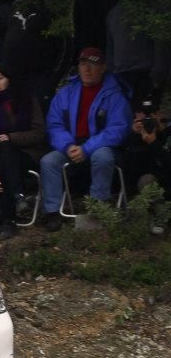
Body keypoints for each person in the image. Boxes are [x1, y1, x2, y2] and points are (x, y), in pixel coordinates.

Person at [40, 47, 132, 231]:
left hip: (101, 147)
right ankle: (52, 212)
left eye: (93, 64)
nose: (87, 69)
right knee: (48, 161)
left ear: (103, 67)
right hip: (72, 146)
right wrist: (68, 146)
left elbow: (117, 129)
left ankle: (97, 209)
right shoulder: (66, 92)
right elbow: (54, 125)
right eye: (83, 64)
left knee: (103, 156)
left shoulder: (115, 94)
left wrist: (87, 148)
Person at [0, 63, 47, 239]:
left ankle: (8, 221)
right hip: (4, 158)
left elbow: (39, 133)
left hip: (28, 154)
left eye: (0, 78)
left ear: (9, 79)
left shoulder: (27, 100)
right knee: (1, 163)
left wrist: (12, 138)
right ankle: (18, 196)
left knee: (6, 152)